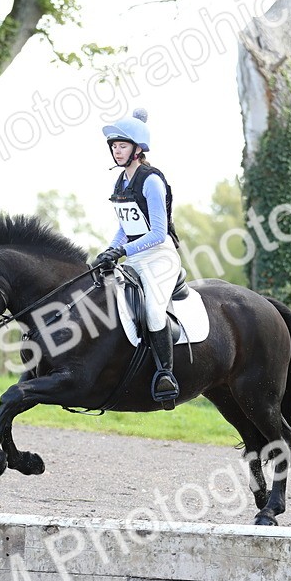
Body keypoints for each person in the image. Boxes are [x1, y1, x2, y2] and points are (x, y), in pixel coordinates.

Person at [94, 107, 182, 403]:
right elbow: (125, 227)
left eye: (122, 146)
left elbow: (158, 232)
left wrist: (123, 250)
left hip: (160, 257)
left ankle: (166, 375)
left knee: (154, 311)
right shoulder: (120, 182)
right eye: (115, 146)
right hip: (135, 257)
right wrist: (110, 249)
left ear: (137, 149)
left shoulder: (151, 181)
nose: (117, 151)